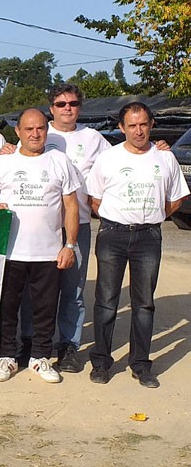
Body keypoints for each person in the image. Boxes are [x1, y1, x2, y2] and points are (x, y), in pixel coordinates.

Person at [86, 102, 189, 388]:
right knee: (106, 301)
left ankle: (141, 364)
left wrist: (154, 216)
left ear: (152, 124)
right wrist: (119, 218)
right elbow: (94, 199)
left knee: (144, 304)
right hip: (112, 235)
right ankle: (101, 362)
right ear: (122, 128)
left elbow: (177, 198)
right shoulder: (108, 159)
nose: (138, 130)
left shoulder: (165, 158)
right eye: (132, 125)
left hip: (148, 237)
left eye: (143, 124)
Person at [0, 109, 80, 384]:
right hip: (11, 251)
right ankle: (7, 356)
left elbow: (71, 205)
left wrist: (69, 244)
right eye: (29, 129)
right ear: (18, 132)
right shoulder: (6, 162)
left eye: (40, 129)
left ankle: (40, 358)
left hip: (49, 251)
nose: (35, 134)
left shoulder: (59, 160)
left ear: (46, 130)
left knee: (45, 308)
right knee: (8, 306)